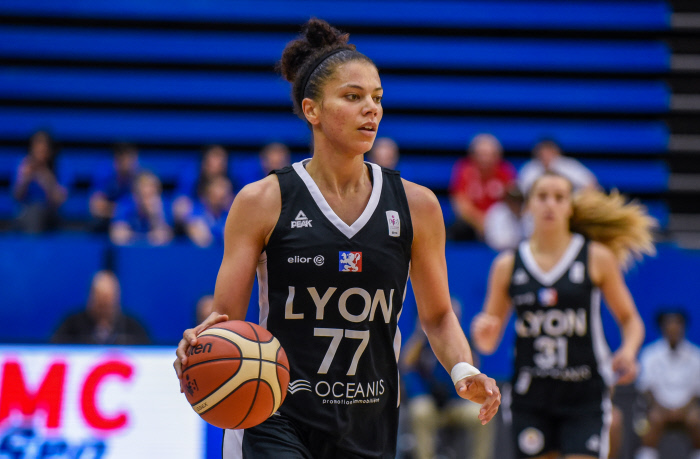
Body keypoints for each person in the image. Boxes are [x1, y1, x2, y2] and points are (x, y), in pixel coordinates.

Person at [173, 18, 500, 459]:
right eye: (353, 97)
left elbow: (438, 316)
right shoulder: (263, 200)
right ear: (312, 110)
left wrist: (463, 368)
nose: (372, 109)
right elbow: (226, 320)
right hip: (276, 415)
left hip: (369, 420)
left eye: (377, 98)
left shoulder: (417, 206)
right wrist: (198, 348)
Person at [471, 172, 655, 459]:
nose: (550, 204)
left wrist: (629, 352)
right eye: (542, 196)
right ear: (528, 204)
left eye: (559, 197)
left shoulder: (596, 257)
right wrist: (482, 332)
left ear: (570, 206)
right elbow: (488, 343)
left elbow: (630, 319)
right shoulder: (507, 264)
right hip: (530, 393)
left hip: (584, 392)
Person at [401, 298, 495, 459]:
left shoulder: (463, 340)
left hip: (455, 404)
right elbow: (406, 363)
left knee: (481, 415)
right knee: (420, 411)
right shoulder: (421, 341)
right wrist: (420, 332)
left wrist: (457, 340)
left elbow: (474, 366)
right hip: (431, 405)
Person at [635, 309, 700, 459]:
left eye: (677, 325)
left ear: (683, 327)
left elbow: (697, 391)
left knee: (696, 419)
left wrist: (682, 409)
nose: (673, 329)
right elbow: (646, 388)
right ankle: (647, 455)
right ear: (662, 328)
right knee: (652, 419)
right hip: (659, 408)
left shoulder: (696, 355)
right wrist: (662, 408)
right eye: (669, 325)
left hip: (688, 409)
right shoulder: (649, 354)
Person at [447, 133, 517, 241]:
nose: (485, 159)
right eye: (482, 154)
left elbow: (512, 203)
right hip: (472, 223)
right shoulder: (464, 170)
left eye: (489, 154)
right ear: (473, 155)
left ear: (497, 155)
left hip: (499, 223)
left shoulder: (506, 171)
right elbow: (460, 204)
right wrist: (481, 223)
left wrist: (493, 223)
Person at [52, 270, 150, 345]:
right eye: (100, 302)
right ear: (90, 298)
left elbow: (148, 355)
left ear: (117, 299)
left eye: (108, 302)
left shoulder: (132, 327)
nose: (104, 308)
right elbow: (53, 350)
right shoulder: (72, 325)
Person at [12, 130, 66, 232]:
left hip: (52, 216)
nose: (40, 153)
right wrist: (24, 180)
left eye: (44, 150)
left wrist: (44, 176)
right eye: (37, 150)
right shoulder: (23, 165)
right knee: (33, 213)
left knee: (37, 212)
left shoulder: (60, 167)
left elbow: (59, 200)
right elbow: (17, 197)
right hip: (25, 214)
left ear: (50, 151)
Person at [172, 144, 233, 231]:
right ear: (205, 163)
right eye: (212, 161)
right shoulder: (192, 180)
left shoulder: (231, 189)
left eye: (221, 162)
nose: (217, 166)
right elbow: (180, 207)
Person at [110, 170, 172, 246]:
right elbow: (117, 234)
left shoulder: (165, 205)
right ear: (136, 193)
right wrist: (147, 237)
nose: (147, 199)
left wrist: (154, 215)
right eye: (143, 193)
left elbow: (165, 236)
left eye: (151, 193)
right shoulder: (126, 204)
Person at [89, 142, 140, 232]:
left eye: (131, 158)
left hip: (135, 223)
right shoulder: (105, 173)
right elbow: (96, 207)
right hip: (106, 223)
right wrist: (122, 210)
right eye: (123, 158)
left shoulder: (142, 175)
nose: (127, 163)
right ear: (116, 160)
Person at [518, 139, 597, 196]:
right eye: (542, 153)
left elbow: (591, 183)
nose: (546, 156)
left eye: (549, 152)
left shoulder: (568, 165)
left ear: (556, 152)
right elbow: (520, 191)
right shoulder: (529, 168)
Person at [185, 176, 233, 247]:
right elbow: (202, 240)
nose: (221, 199)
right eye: (217, 196)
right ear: (208, 193)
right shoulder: (195, 212)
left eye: (224, 196)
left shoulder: (231, 215)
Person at [483, 184, 527, 252]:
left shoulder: (527, 212)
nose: (516, 204)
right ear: (507, 201)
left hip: (523, 251)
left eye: (519, 201)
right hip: (498, 253)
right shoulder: (497, 213)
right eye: (513, 201)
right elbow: (497, 241)